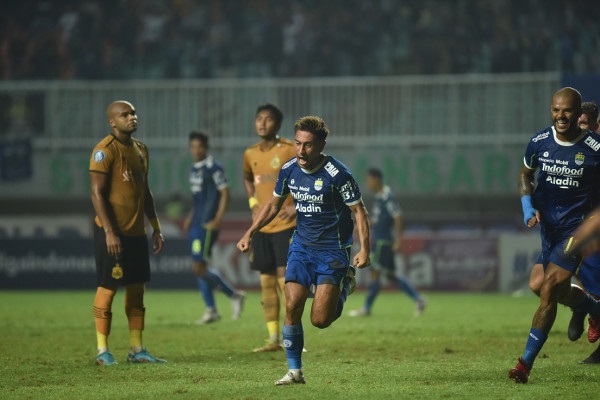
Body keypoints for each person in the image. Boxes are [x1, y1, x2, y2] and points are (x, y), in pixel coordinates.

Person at [237, 116, 370, 385]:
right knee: (292, 305)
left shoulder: (338, 174)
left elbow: (359, 210)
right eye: (297, 143)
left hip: (333, 250)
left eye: (308, 145)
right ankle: (294, 371)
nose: (301, 150)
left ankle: (344, 283)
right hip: (301, 247)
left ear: (321, 144)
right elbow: (273, 206)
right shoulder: (288, 169)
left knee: (320, 320)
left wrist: (365, 249)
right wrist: (249, 232)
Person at [508, 87, 600, 383]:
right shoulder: (539, 142)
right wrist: (526, 204)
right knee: (539, 285)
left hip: (579, 227)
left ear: (577, 113)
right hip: (549, 228)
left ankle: (524, 365)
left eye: (568, 111)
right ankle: (594, 310)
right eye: (556, 110)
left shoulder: (594, 149)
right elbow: (525, 175)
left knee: (549, 287)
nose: (561, 116)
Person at [89, 100, 166, 365]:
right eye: (125, 114)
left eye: (133, 112)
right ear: (112, 121)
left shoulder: (142, 149)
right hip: (112, 232)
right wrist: (110, 232)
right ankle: (102, 350)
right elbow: (97, 194)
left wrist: (155, 227)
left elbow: (145, 192)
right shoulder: (104, 151)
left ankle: (136, 349)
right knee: (108, 288)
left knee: (136, 290)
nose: (132, 117)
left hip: (136, 232)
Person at [242, 104, 296, 352]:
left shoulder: (288, 150)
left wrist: (295, 206)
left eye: (269, 119)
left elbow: (305, 175)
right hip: (262, 224)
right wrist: (253, 202)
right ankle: (273, 339)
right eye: (259, 118)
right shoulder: (249, 153)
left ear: (278, 124)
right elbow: (246, 178)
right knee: (266, 281)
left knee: (286, 282)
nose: (263, 123)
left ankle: (291, 337)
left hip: (286, 224)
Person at [183, 131, 245, 324]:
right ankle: (211, 310)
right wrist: (190, 216)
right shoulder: (194, 169)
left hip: (207, 225)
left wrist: (218, 218)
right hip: (196, 224)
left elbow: (225, 193)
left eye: (199, 146)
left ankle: (234, 295)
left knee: (199, 267)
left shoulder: (214, 167)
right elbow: (199, 199)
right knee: (200, 266)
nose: (195, 150)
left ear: (206, 148)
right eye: (192, 147)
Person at [349, 168, 426, 317]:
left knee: (375, 274)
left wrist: (398, 239)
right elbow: (379, 219)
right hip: (382, 240)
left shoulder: (387, 197)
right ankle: (419, 299)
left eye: (369, 180)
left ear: (376, 179)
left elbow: (397, 216)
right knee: (391, 275)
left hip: (382, 241)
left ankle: (366, 308)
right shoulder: (380, 197)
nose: (367, 183)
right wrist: (362, 225)